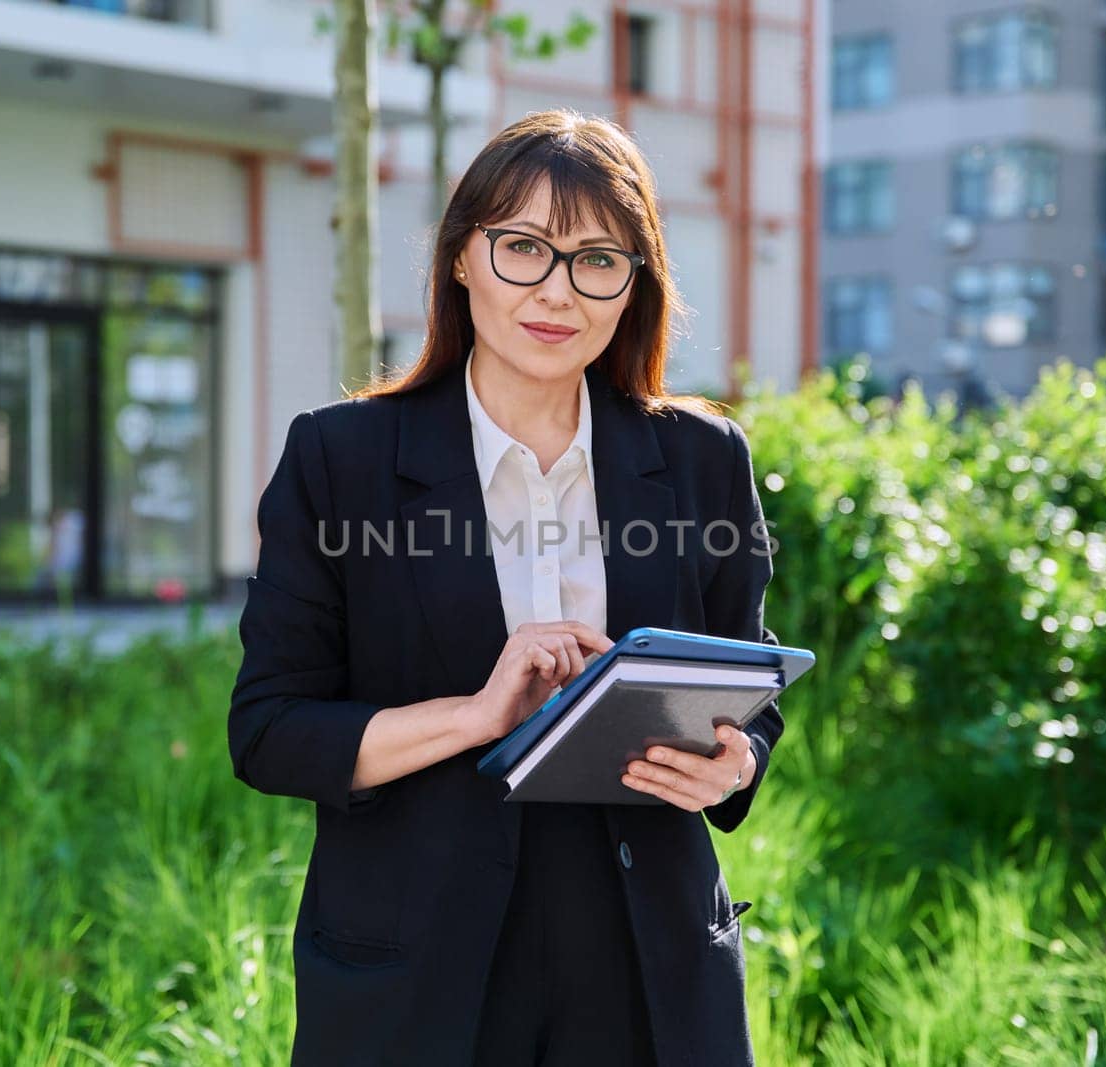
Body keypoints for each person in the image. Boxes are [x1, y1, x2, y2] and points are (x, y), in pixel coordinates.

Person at [228, 109, 783, 1067]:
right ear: (460, 258)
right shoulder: (341, 458)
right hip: (418, 966)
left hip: (645, 962)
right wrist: (476, 714)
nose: (557, 291)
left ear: (632, 285)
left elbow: (750, 682)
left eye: (597, 259)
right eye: (523, 247)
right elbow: (271, 731)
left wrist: (734, 766)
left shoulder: (701, 458)